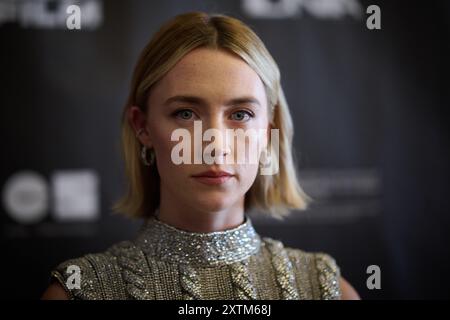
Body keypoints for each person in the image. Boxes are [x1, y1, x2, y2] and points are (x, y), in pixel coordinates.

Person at [42, 11, 359, 300]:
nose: (215, 145)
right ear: (143, 127)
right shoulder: (78, 292)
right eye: (185, 113)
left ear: (268, 131)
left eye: (241, 115)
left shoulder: (326, 290)